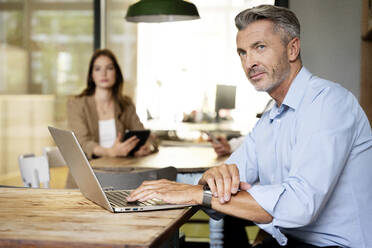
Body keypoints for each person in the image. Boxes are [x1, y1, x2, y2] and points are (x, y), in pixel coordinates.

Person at [128, 5, 372, 248]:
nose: (249, 62)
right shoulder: (270, 118)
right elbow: (225, 183)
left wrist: (197, 193)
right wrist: (209, 180)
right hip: (287, 241)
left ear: (292, 49)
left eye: (260, 47)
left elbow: (300, 206)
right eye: (242, 53)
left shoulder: (329, 103)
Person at [67, 48, 156, 159]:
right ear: (92, 75)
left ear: (116, 73)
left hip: (121, 168)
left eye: (109, 68)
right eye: (98, 69)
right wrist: (110, 152)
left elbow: (146, 136)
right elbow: (82, 143)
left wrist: (147, 147)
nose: (104, 73)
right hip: (89, 170)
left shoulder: (126, 104)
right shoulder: (76, 104)